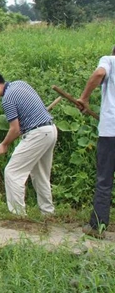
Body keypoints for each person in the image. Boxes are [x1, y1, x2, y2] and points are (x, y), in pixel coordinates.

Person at [0, 71, 57, 216]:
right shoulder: (20, 84)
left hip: (37, 134)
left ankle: (18, 216)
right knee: (40, 175)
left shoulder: (7, 99)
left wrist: (4, 144)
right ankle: (48, 213)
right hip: (50, 130)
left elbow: (15, 129)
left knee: (12, 172)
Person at [76, 45, 115, 239]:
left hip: (111, 132)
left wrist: (84, 98)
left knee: (104, 180)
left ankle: (97, 226)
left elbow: (99, 73)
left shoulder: (109, 60)